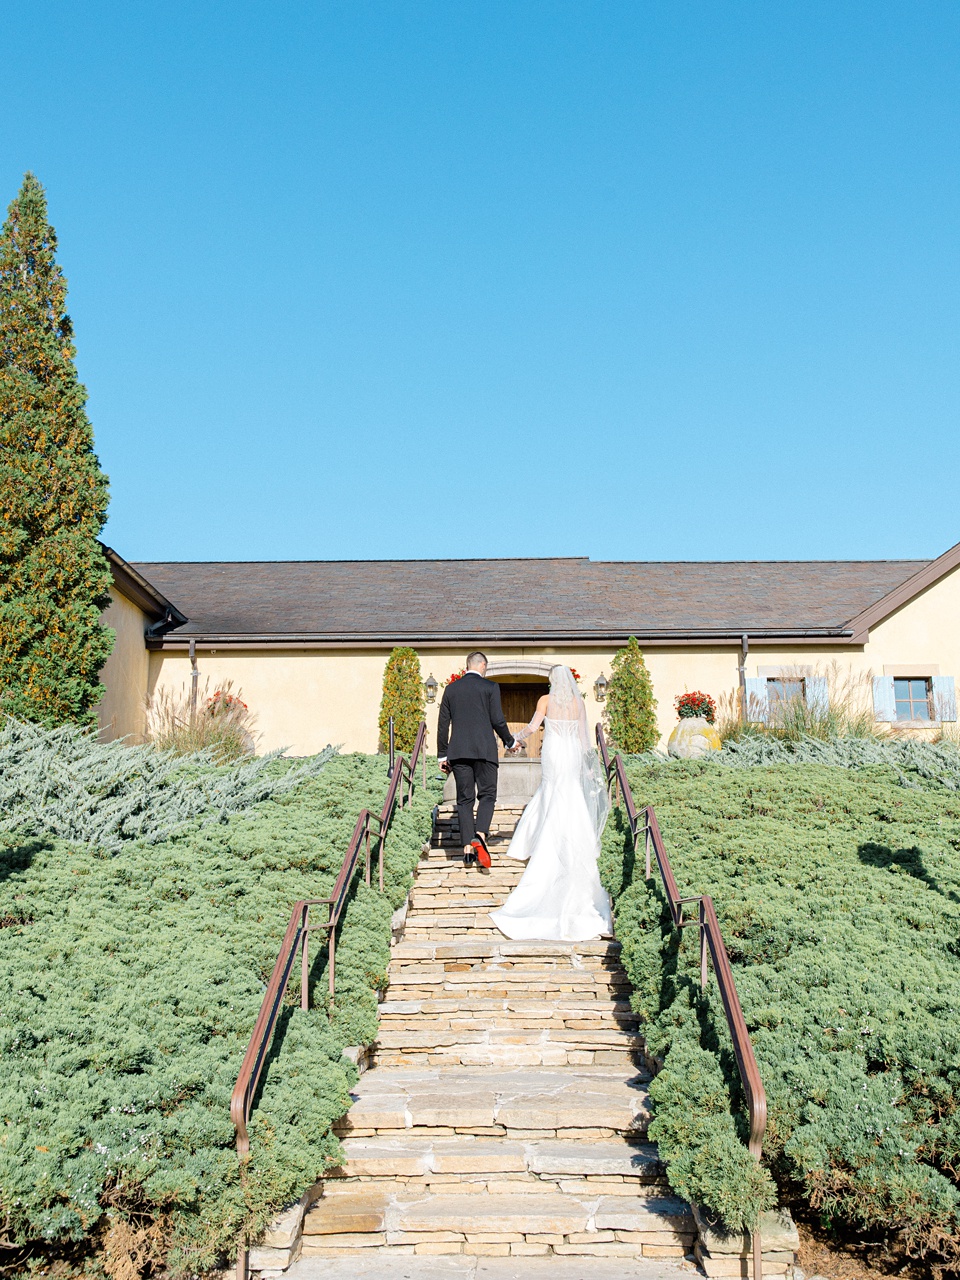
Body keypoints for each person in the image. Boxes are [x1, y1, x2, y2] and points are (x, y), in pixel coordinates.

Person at [490, 664, 614, 941]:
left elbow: (534, 727)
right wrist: (589, 766)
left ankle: (536, 838)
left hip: (554, 750)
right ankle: (574, 835)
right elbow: (583, 737)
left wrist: (512, 739)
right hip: (570, 752)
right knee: (569, 790)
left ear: (552, 682)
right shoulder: (579, 702)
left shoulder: (544, 700)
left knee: (550, 790)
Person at [436, 651, 517, 869]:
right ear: (481, 665)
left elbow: (443, 724)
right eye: (485, 667)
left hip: (459, 752)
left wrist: (442, 755)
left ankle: (467, 850)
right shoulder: (490, 687)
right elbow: (497, 720)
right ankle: (480, 835)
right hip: (485, 751)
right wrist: (509, 742)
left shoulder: (451, 689)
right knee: (487, 795)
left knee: (464, 800)